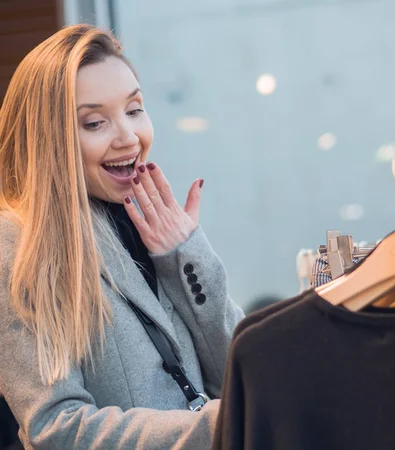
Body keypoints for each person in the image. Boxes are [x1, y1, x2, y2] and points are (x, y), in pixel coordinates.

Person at [0, 24, 244, 449]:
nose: (129, 137)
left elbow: (240, 372)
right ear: (48, 139)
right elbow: (57, 428)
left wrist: (182, 252)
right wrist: (215, 427)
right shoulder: (16, 243)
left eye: (134, 110)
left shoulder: (144, 220)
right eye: (95, 122)